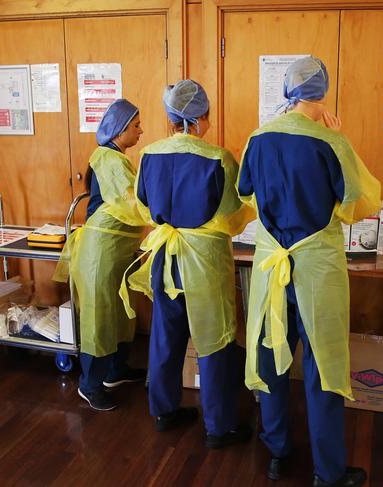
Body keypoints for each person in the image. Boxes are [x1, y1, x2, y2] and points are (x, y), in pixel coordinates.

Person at [237, 56, 381, 487]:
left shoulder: (258, 138)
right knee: (324, 366)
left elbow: (246, 195)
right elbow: (360, 202)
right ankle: (328, 472)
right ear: (323, 91)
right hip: (317, 269)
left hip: (270, 265)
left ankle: (278, 452)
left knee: (270, 356)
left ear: (288, 89)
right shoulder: (330, 141)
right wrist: (344, 142)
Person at [120, 80, 255, 444]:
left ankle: (164, 411)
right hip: (206, 262)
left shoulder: (148, 155)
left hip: (166, 255)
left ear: (169, 117)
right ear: (202, 117)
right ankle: (219, 426)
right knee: (215, 340)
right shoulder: (219, 158)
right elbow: (235, 213)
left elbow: (144, 206)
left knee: (166, 335)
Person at [54, 99, 147, 412]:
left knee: (119, 313)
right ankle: (89, 385)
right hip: (101, 253)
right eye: (136, 126)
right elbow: (133, 204)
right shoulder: (109, 160)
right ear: (120, 130)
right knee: (99, 319)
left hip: (116, 251)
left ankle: (115, 371)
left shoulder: (115, 157)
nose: (141, 131)